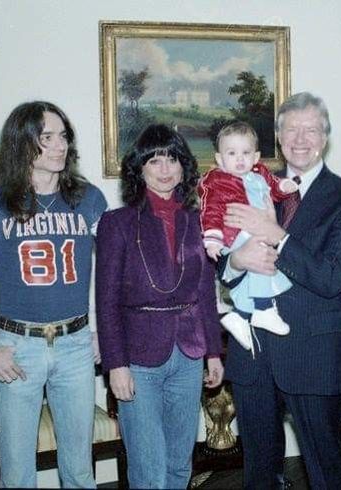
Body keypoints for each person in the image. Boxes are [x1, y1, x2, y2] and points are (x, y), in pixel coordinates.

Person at [0, 101, 107, 488]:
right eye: (46, 138)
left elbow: (111, 272)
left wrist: (103, 330)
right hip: (19, 347)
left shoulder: (88, 199)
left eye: (63, 136)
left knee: (80, 471)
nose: (59, 146)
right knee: (17, 474)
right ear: (22, 145)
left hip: (75, 345)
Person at [219, 92, 341, 489]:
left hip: (314, 354)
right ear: (278, 136)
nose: (300, 139)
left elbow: (333, 277)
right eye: (291, 129)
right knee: (258, 473)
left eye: (312, 129)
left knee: (324, 470)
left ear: (326, 137)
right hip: (253, 354)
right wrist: (236, 262)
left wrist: (278, 237)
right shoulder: (249, 185)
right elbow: (219, 252)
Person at [95, 124, 224, 489]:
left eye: (172, 158)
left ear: (184, 166)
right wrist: (115, 365)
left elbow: (205, 293)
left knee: (179, 465)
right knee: (149, 469)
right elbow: (105, 302)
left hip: (189, 355)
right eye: (154, 160)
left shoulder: (197, 221)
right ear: (140, 168)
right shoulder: (116, 223)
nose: (165, 168)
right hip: (138, 360)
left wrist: (213, 352)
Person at [198, 121, 299, 350]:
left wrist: (283, 187)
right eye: (231, 153)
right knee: (262, 258)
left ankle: (241, 315)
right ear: (220, 159)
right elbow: (210, 210)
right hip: (233, 235)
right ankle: (263, 309)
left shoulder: (260, 173)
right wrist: (212, 238)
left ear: (256, 157)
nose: (239, 159)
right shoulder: (217, 181)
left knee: (257, 268)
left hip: (254, 231)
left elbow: (273, 187)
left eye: (245, 153)